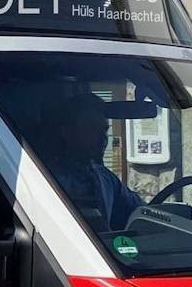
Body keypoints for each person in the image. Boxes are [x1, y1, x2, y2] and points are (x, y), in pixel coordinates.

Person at [43, 92, 145, 232]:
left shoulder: (105, 177)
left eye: (104, 130)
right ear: (67, 132)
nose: (102, 137)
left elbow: (141, 211)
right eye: (92, 129)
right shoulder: (46, 178)